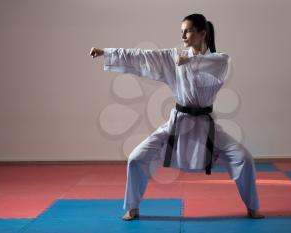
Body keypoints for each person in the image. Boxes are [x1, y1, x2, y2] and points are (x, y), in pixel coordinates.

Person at [89, 13, 265, 220]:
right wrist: (106, 52)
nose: (183, 35)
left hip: (207, 126)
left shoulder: (219, 60)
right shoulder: (174, 58)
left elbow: (213, 62)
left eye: (188, 30)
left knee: (243, 158)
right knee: (136, 158)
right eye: (181, 31)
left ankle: (252, 206)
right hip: (178, 122)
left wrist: (189, 59)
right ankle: (132, 207)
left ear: (202, 33)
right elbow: (142, 56)